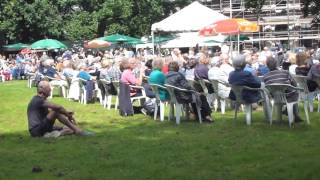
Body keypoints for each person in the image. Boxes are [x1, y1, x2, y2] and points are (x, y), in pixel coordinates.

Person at [263, 57, 303, 122]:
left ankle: (290, 112)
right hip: (288, 96)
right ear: (276, 64)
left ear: (267, 66)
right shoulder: (285, 73)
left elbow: (266, 89)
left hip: (275, 98)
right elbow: (294, 84)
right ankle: (295, 114)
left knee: (292, 92)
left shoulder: (265, 76)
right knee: (294, 92)